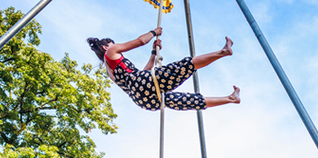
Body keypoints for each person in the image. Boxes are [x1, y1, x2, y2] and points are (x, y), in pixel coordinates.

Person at [86, 28, 239, 112]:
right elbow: (140, 41)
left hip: (144, 100)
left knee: (184, 100)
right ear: (106, 47)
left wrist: (153, 53)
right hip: (144, 84)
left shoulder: (110, 71)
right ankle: (223, 52)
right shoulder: (111, 51)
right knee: (184, 66)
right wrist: (154, 32)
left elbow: (143, 73)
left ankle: (231, 99)